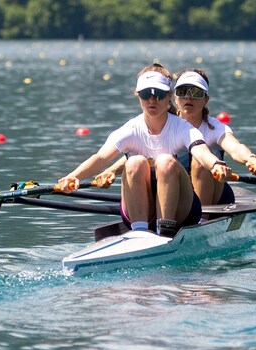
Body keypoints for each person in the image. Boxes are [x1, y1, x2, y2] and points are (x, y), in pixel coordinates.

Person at [57, 64, 231, 237]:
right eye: (146, 94)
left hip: (182, 211)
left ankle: (165, 230)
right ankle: (140, 233)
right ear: (138, 96)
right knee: (134, 162)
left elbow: (201, 151)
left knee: (165, 161)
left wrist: (215, 164)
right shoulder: (131, 129)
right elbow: (101, 158)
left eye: (159, 94)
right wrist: (73, 176)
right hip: (139, 212)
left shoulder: (182, 127)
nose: (152, 100)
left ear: (169, 96)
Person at [173, 68, 256, 208]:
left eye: (196, 93)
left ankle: (202, 220)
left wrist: (250, 158)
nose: (188, 97)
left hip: (215, 196)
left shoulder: (215, 128)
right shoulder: (166, 126)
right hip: (178, 194)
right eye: (182, 92)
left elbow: (235, 148)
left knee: (202, 160)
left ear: (206, 99)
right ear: (175, 98)